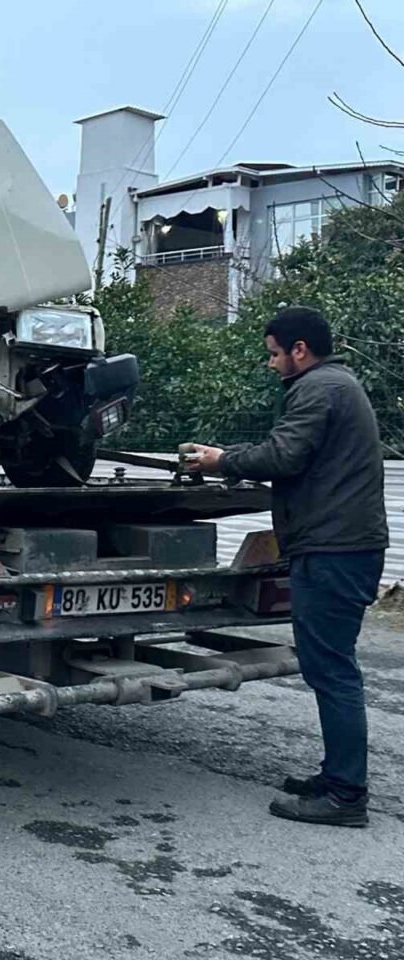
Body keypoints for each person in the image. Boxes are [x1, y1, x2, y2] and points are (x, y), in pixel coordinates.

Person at [189, 305, 388, 828]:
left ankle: (345, 796)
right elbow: (294, 453)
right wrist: (230, 456)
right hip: (342, 545)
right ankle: (337, 775)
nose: (272, 363)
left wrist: (220, 461)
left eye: (275, 354)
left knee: (332, 670)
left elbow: (283, 456)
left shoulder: (318, 388)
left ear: (300, 349)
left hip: (333, 549)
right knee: (330, 667)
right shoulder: (338, 385)